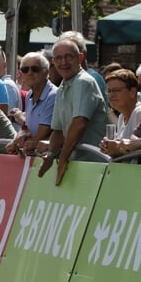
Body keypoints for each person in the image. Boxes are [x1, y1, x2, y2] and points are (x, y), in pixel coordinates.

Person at [37, 34, 109, 186]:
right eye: (59, 58)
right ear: (53, 62)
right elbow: (57, 130)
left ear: (80, 58)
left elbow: (79, 123)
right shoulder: (63, 85)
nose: (63, 62)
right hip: (76, 163)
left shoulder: (83, 82)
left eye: (69, 57)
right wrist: (50, 154)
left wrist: (62, 159)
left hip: (92, 165)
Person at [7, 51, 57, 156]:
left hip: (51, 158)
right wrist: (21, 135)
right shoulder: (29, 95)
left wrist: (18, 144)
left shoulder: (53, 95)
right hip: (35, 157)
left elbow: (42, 133)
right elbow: (29, 129)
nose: (29, 73)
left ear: (46, 72)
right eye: (25, 69)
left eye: (35, 69)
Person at [102, 68, 141, 139]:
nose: (111, 95)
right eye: (109, 91)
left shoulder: (140, 113)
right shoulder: (122, 117)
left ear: (132, 92)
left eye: (116, 90)